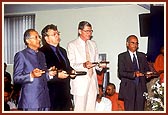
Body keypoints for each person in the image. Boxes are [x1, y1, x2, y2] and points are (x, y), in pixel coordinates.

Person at [13, 29, 57, 111]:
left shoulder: (41, 55)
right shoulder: (21, 55)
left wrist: (49, 74)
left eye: (39, 37)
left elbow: (42, 76)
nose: (39, 40)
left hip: (45, 99)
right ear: (28, 41)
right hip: (31, 101)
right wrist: (31, 75)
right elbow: (16, 79)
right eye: (36, 37)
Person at [67, 21, 107, 111]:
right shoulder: (72, 45)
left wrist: (100, 65)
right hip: (80, 82)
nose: (89, 33)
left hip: (92, 81)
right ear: (80, 31)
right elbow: (71, 64)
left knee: (91, 109)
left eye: (91, 31)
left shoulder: (93, 44)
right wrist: (83, 65)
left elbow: (96, 63)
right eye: (87, 31)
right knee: (79, 109)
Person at [39, 24, 75, 111]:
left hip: (65, 92)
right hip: (51, 93)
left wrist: (72, 71)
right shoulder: (41, 52)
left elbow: (67, 66)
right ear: (46, 38)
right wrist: (57, 75)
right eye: (54, 34)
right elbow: (42, 72)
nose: (57, 36)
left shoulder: (62, 51)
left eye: (58, 33)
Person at [117, 35, 150, 111]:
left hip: (141, 88)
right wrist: (134, 74)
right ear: (127, 44)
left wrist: (148, 75)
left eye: (136, 43)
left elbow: (146, 70)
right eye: (133, 43)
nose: (135, 45)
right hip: (128, 88)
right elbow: (121, 73)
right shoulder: (122, 56)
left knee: (140, 110)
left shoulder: (142, 56)